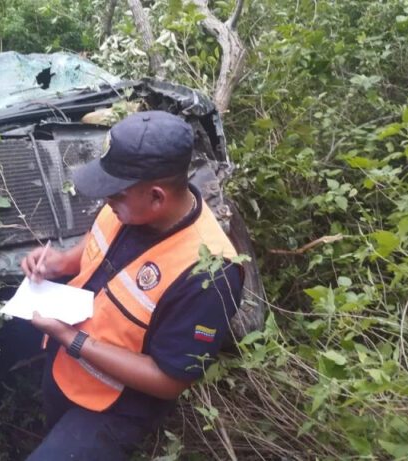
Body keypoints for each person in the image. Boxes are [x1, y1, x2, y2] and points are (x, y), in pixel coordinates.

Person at [20, 111, 244, 460]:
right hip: (65, 367)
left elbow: (169, 380)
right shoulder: (127, 203)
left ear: (157, 198)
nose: (106, 202)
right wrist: (59, 262)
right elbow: (94, 245)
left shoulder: (208, 274)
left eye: (115, 196)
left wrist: (72, 338)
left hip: (112, 408)